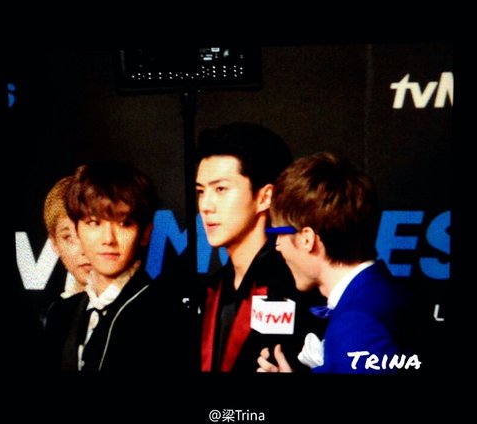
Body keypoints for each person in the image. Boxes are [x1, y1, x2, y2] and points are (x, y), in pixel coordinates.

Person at [256, 151, 420, 374]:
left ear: (307, 239)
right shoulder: (378, 294)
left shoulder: (357, 324)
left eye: (278, 234)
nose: (277, 246)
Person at [195, 121, 325, 373]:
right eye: (201, 191)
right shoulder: (211, 289)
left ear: (265, 197)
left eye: (220, 189)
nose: (206, 205)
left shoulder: (297, 287)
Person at [43, 159, 195, 371]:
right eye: (94, 223)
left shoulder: (167, 317)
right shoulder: (61, 314)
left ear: (145, 233)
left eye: (124, 223)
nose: (108, 239)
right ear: (77, 231)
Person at [43, 175, 91, 299]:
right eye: (69, 237)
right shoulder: (58, 308)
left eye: (90, 231)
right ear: (54, 244)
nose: (84, 250)